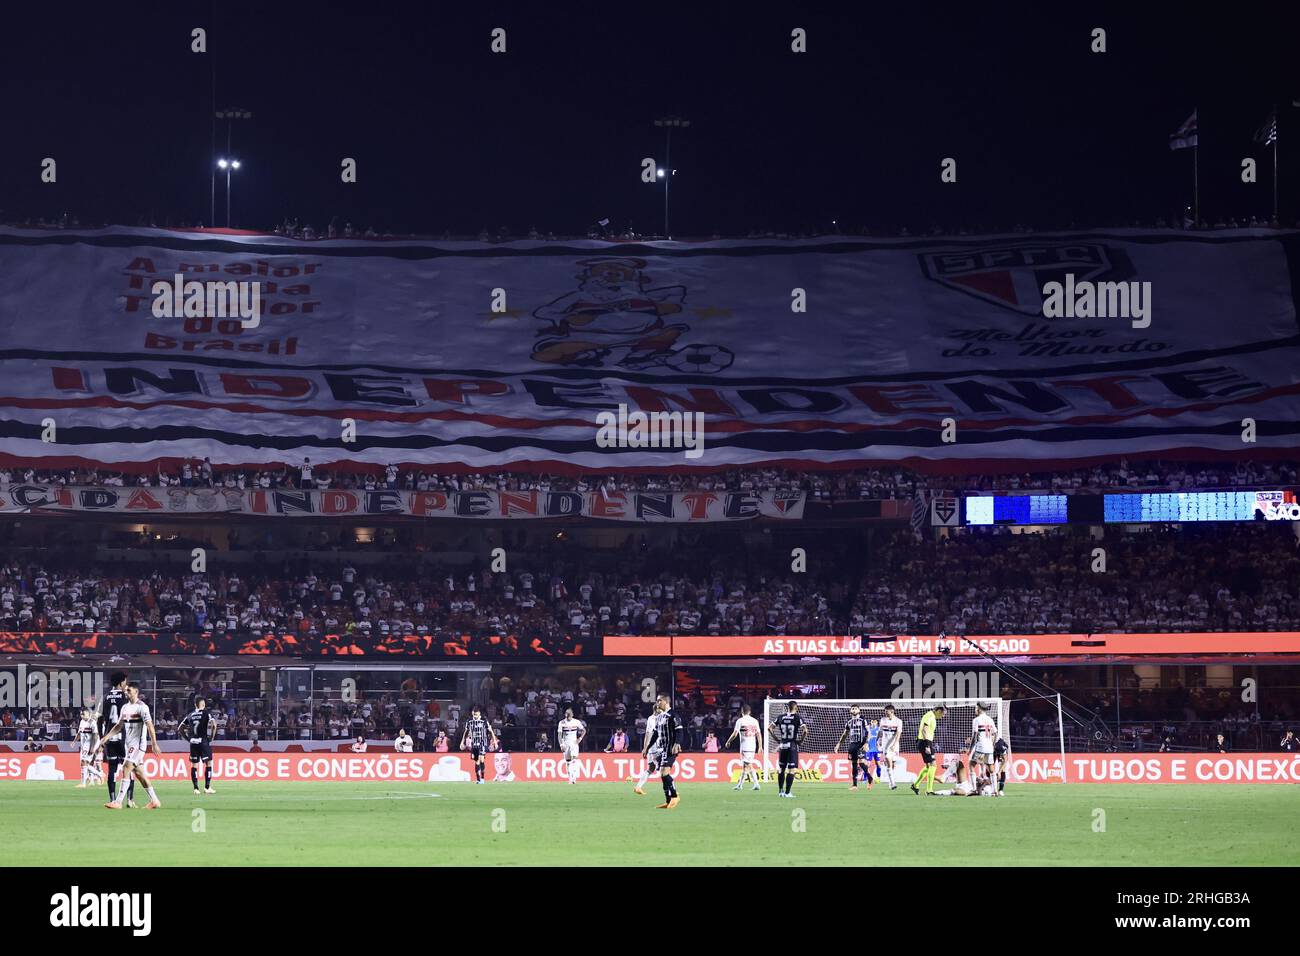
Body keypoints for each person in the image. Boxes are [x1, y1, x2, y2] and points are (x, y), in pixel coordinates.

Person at [93, 682, 162, 810]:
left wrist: (154, 743)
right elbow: (119, 725)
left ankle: (118, 802)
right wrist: (106, 737)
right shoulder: (125, 707)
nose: (126, 692)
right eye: (125, 690)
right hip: (129, 744)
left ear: (136, 692)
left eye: (129, 690)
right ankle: (155, 800)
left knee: (126, 767)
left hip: (138, 745)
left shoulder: (142, 707)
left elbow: (150, 726)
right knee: (140, 774)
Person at [95, 672, 134, 807]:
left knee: (112, 769)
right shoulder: (125, 696)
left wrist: (102, 738)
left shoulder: (104, 697)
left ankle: (112, 799)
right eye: (125, 682)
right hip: (124, 737)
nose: (126, 684)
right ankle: (129, 800)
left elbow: (98, 719)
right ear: (121, 682)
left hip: (109, 737)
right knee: (128, 768)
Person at [640, 695, 684, 809]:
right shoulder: (659, 717)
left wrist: (677, 744)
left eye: (659, 700)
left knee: (664, 773)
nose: (657, 702)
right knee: (662, 775)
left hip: (671, 748)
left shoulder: (673, 715)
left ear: (666, 702)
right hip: (662, 749)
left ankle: (674, 796)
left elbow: (679, 731)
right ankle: (668, 800)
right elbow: (655, 734)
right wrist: (647, 747)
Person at [767, 700, 807, 799]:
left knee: (781, 769)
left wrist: (776, 738)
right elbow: (805, 730)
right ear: (796, 707)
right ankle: (788, 793)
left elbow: (769, 728)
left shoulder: (780, 717)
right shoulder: (797, 717)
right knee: (791, 770)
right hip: (792, 745)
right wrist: (801, 740)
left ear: (787, 708)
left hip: (782, 745)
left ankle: (780, 791)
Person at [181, 695, 217, 795]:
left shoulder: (190, 714)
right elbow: (214, 725)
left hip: (193, 743)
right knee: (209, 763)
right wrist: (212, 737)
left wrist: (188, 739)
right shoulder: (206, 713)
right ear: (203, 704)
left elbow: (180, 728)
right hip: (203, 741)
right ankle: (207, 787)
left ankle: (196, 788)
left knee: (194, 765)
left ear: (195, 705)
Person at [724, 703, 762, 792]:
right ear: (750, 712)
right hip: (753, 746)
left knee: (748, 765)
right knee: (746, 766)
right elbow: (758, 734)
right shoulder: (755, 721)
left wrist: (728, 741)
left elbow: (735, 734)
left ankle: (755, 784)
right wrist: (760, 746)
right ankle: (741, 785)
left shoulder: (740, 721)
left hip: (745, 746)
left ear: (742, 711)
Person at [911, 704, 946, 795]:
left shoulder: (931, 716)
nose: (943, 716)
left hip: (924, 741)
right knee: (933, 765)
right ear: (939, 711)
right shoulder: (930, 716)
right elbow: (924, 730)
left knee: (928, 767)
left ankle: (915, 785)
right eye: (943, 714)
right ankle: (929, 790)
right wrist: (927, 745)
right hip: (925, 742)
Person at [834, 703, 868, 791]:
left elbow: (868, 731)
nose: (854, 710)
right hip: (852, 745)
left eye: (855, 708)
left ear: (859, 710)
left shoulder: (863, 719)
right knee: (854, 764)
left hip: (861, 744)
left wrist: (866, 743)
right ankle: (854, 785)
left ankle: (869, 777)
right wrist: (838, 744)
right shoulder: (849, 721)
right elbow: (845, 734)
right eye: (852, 708)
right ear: (850, 711)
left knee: (860, 762)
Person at [461, 705, 498, 783]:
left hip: (482, 743)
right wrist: (462, 741)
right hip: (474, 744)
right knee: (476, 761)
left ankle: (482, 778)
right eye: (474, 714)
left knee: (481, 760)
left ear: (479, 713)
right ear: (472, 713)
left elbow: (491, 731)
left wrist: (494, 741)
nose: (475, 716)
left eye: (476, 714)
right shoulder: (469, 721)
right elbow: (466, 731)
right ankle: (478, 779)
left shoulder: (484, 720)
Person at [876, 704, 903, 790]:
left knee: (893, 764)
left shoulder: (898, 721)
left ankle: (890, 780)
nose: (885, 713)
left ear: (892, 711)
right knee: (888, 759)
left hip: (894, 745)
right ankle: (892, 783)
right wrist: (877, 741)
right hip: (885, 744)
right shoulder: (883, 720)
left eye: (886, 711)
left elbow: (898, 734)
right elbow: (880, 732)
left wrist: (895, 745)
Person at [557, 707, 586, 785]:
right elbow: (559, 735)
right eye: (567, 714)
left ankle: (574, 778)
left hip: (574, 743)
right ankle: (570, 779)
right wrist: (561, 744)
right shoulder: (561, 723)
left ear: (572, 715)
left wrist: (580, 738)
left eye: (569, 714)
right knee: (568, 761)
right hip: (566, 744)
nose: (568, 716)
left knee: (574, 760)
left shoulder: (576, 722)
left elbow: (584, 730)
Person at [75, 708, 102, 789]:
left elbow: (95, 736)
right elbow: (79, 732)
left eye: (83, 714)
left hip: (90, 744)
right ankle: (99, 775)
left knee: (84, 762)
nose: (82, 716)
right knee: (84, 763)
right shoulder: (82, 722)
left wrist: (92, 748)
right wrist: (74, 741)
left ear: (89, 714)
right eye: (81, 714)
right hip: (84, 745)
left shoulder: (92, 722)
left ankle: (83, 783)